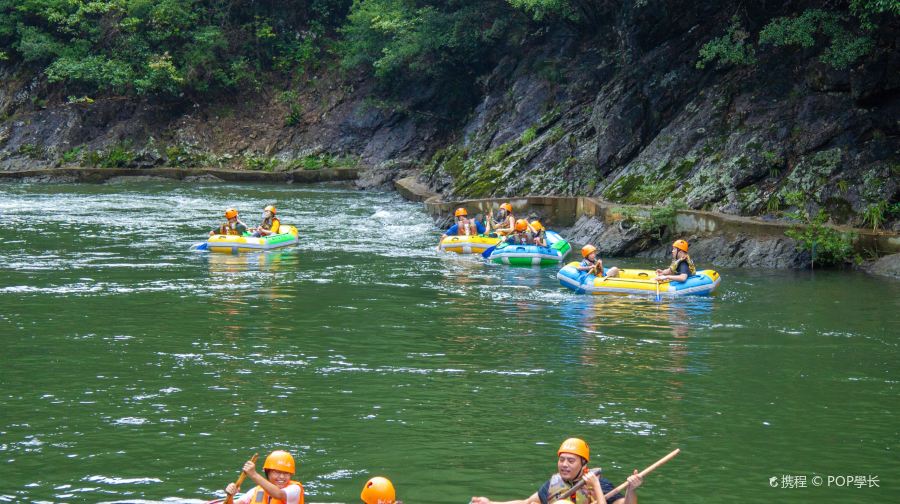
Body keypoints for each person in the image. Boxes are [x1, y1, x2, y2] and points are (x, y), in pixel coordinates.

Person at [470, 438, 642, 504]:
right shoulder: (553, 485)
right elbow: (526, 503)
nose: (564, 464)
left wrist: (631, 489)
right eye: (562, 459)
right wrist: (491, 503)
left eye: (571, 460)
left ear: (583, 464)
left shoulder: (600, 485)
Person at [225, 450, 304, 504]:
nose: (282, 477)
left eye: (286, 473)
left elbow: (279, 494)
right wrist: (230, 496)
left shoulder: (295, 489)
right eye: (277, 472)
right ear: (268, 472)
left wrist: (253, 474)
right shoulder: (257, 490)